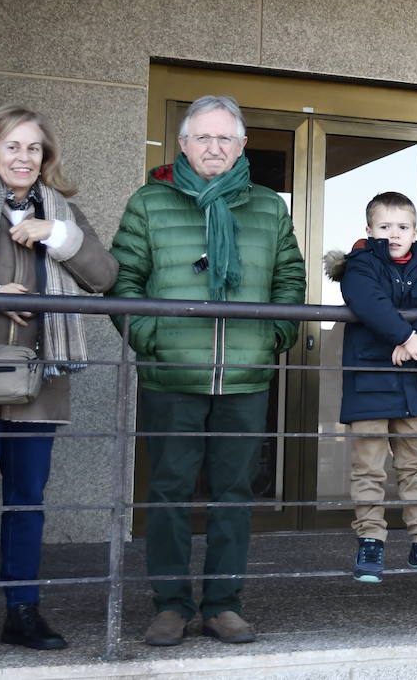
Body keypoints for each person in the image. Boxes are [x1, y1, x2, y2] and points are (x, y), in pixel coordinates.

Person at [110, 95, 305, 646]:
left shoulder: (267, 206)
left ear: (243, 146)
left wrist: (273, 338)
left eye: (225, 138)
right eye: (203, 137)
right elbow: (122, 282)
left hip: (244, 376)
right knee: (168, 493)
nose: (214, 147)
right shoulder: (150, 202)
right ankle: (170, 604)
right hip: (172, 376)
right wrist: (152, 342)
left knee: (234, 494)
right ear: (183, 143)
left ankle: (223, 604)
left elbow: (290, 278)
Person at [0, 106, 117, 659]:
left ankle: (23, 611)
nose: (23, 157)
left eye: (34, 149)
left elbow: (104, 276)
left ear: (47, 157)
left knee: (27, 500)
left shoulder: (62, 210)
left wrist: (57, 235)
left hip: (41, 379)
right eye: (12, 146)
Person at [323, 191, 417, 587]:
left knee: (414, 466)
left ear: (415, 230)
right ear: (368, 231)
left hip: (414, 384)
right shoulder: (361, 265)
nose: (395, 234)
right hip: (370, 382)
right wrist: (405, 335)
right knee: (368, 467)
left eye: (403, 227)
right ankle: (371, 537)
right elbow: (367, 302)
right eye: (384, 227)